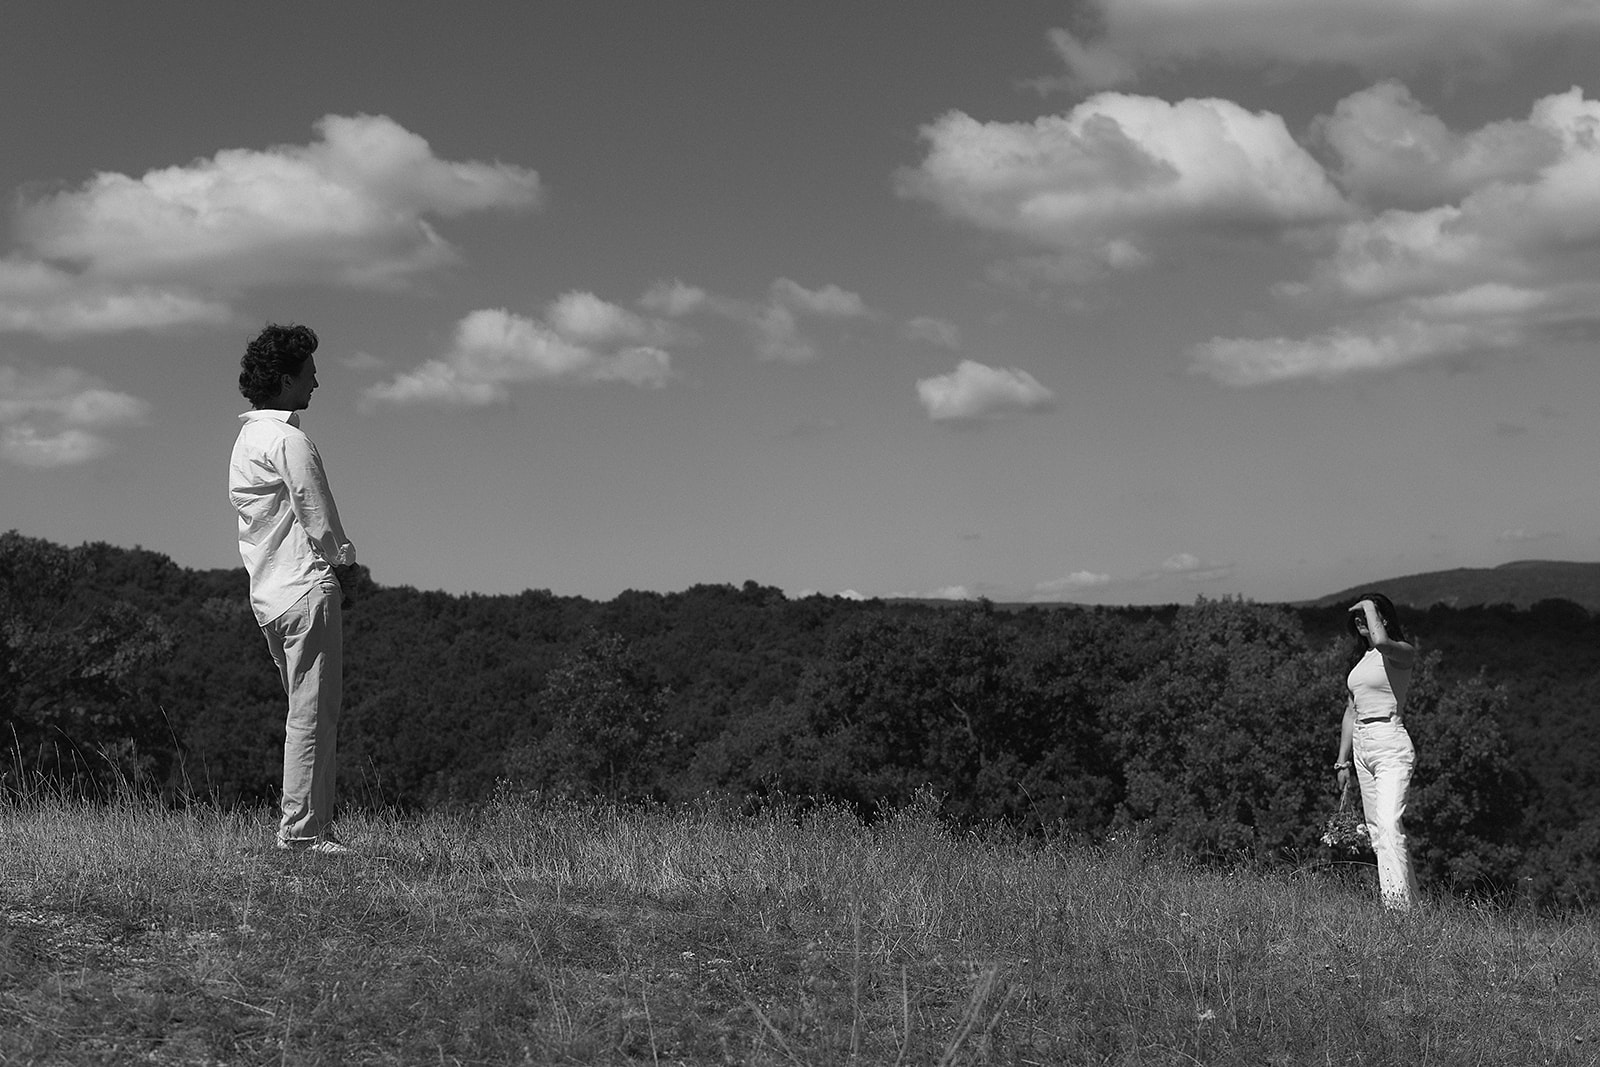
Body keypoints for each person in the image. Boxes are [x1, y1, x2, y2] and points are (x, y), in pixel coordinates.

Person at [229, 323, 356, 854]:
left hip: (269, 594)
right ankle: (303, 833)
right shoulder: (288, 439)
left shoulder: (247, 440)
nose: (316, 383)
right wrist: (345, 564)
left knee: (304, 710)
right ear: (285, 379)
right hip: (305, 586)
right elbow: (317, 513)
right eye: (309, 374)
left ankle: (308, 826)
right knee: (312, 713)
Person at [1334, 592, 1418, 908]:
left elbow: (1383, 642)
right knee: (1377, 832)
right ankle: (1409, 908)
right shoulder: (1362, 663)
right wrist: (1342, 763)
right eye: (1356, 618)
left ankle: (1398, 912)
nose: (1361, 621)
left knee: (1388, 824)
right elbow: (1351, 710)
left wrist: (1369, 604)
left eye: (1367, 616)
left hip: (1389, 742)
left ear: (1383, 618)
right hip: (1362, 744)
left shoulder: (1401, 653)